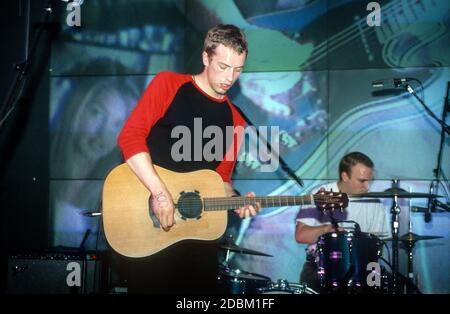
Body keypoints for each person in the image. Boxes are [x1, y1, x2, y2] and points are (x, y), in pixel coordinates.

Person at [116, 24, 261, 294]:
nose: (230, 77)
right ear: (205, 57)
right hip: (149, 225)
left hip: (197, 235)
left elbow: (222, 180)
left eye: (238, 70)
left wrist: (238, 201)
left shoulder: (236, 120)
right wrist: (160, 194)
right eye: (223, 66)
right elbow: (130, 137)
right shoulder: (168, 84)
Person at [295, 151, 390, 292]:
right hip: (321, 269)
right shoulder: (320, 195)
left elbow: (379, 245)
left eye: (370, 181)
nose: (367, 187)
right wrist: (326, 229)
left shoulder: (375, 203)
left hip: (365, 269)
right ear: (345, 176)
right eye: (362, 181)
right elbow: (301, 236)